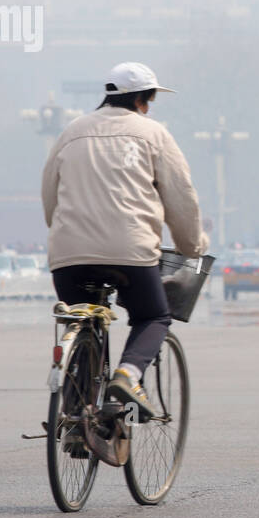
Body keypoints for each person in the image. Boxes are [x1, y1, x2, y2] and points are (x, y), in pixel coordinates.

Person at [41, 61, 208, 419]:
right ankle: (128, 376)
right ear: (144, 100)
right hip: (129, 254)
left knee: (79, 319)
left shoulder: (71, 131)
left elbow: (49, 196)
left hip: (69, 255)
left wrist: (62, 232)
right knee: (153, 316)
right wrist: (191, 246)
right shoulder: (154, 134)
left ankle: (75, 418)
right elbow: (181, 198)